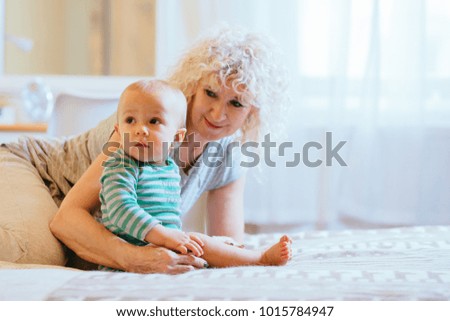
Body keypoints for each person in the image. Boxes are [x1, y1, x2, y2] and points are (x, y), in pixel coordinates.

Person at [0, 27, 289, 273]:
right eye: (210, 93)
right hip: (31, 167)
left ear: (253, 112)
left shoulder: (229, 156)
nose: (217, 113)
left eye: (236, 103)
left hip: (86, 215)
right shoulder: (145, 128)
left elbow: (228, 248)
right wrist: (135, 258)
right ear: (193, 86)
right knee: (40, 255)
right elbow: (67, 220)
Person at [99, 79, 292, 271]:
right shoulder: (120, 163)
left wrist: (178, 241)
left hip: (162, 244)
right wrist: (164, 235)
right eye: (130, 120)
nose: (140, 129)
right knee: (197, 241)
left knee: (201, 243)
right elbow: (120, 208)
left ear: (176, 137)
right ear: (118, 130)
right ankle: (259, 258)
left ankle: (249, 256)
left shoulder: (169, 169)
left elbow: (171, 218)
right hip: (130, 248)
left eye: (154, 121)